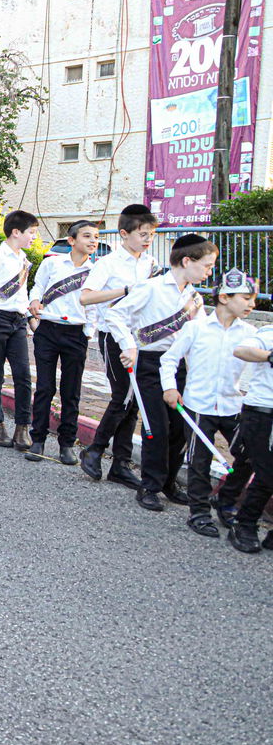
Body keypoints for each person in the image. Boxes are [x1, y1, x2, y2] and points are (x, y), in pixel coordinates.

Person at [108, 232, 217, 512]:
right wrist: (128, 345)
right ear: (186, 261)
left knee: (180, 426)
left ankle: (168, 481)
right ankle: (150, 485)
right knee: (156, 426)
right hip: (148, 364)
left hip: (178, 366)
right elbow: (115, 315)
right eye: (206, 265)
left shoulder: (194, 298)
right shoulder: (151, 288)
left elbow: (200, 337)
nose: (209, 272)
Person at [161, 270, 257, 537]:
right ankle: (199, 513)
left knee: (249, 454)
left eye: (254, 299)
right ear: (224, 297)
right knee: (199, 462)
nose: (252, 304)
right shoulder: (195, 328)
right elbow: (169, 360)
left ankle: (226, 499)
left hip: (233, 406)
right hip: (198, 406)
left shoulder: (250, 332)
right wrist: (170, 387)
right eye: (246, 298)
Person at [78, 205, 160, 489]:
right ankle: (95, 449)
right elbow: (86, 298)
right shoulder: (108, 264)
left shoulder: (149, 263)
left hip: (140, 338)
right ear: (124, 234)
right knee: (122, 396)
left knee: (135, 401)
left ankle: (120, 464)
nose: (147, 239)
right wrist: (125, 292)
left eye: (151, 234)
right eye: (142, 234)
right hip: (112, 335)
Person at [25, 220, 99, 464]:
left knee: (71, 391)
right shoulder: (52, 263)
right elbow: (37, 287)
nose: (92, 241)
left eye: (95, 237)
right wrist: (34, 302)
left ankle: (66, 443)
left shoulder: (96, 271)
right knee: (45, 387)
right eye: (87, 236)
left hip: (76, 334)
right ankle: (38, 440)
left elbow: (95, 305)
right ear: (71, 240)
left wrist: (88, 332)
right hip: (48, 330)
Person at [0, 210, 40, 449]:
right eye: (31, 232)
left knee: (23, 375)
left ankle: (23, 427)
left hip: (18, 321)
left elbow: (22, 294)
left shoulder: (23, 258)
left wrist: (29, 317)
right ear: (16, 232)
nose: (34, 237)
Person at [228, 314, 273, 553]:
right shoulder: (268, 333)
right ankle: (244, 524)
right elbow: (243, 350)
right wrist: (269, 356)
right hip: (262, 413)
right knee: (267, 474)